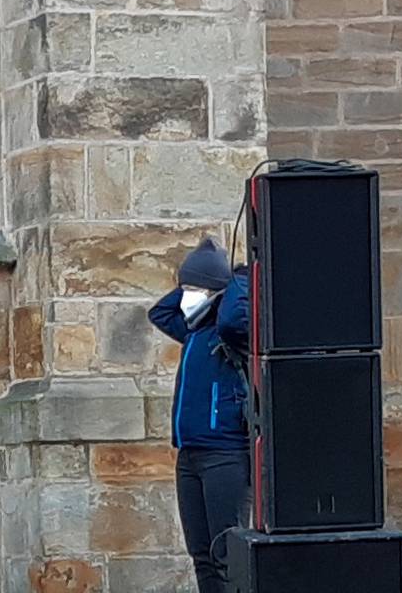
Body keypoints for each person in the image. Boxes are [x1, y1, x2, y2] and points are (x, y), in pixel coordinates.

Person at [150, 235, 253, 593]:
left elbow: (231, 321)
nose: (189, 294)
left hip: (224, 455)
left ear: (215, 292)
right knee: (202, 554)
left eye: (197, 287)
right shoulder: (193, 330)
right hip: (189, 456)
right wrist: (191, 285)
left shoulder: (232, 334)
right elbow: (159, 313)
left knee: (227, 556)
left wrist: (235, 279)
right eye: (186, 287)